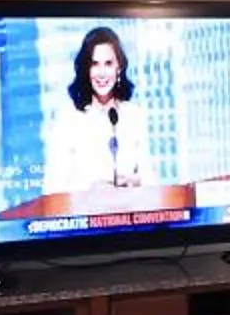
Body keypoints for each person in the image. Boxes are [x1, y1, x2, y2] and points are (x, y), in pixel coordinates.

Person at [42, 25, 152, 191]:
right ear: (86, 70)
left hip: (128, 211)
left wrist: (136, 182)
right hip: (83, 213)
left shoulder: (134, 115)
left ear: (119, 68)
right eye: (95, 64)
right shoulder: (69, 117)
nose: (102, 73)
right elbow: (53, 187)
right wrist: (91, 188)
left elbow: (149, 178)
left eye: (108, 64)